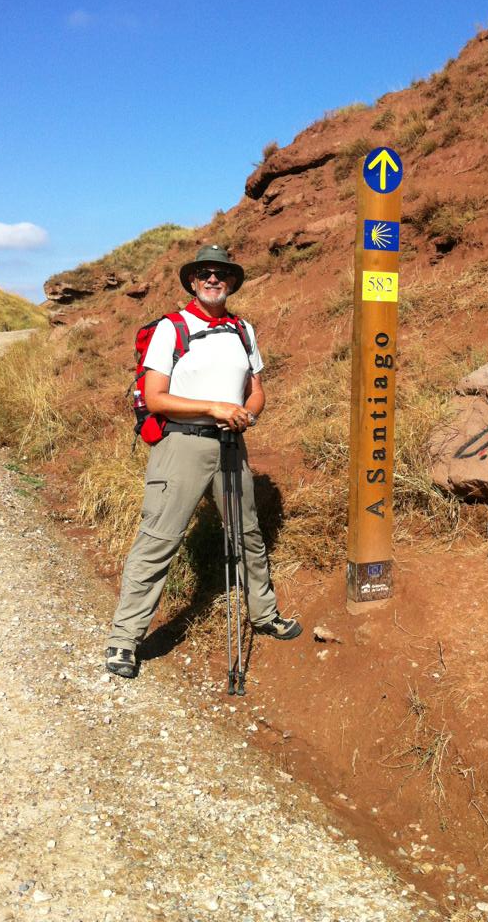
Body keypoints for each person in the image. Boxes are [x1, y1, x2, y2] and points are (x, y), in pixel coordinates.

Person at [105, 244, 302, 679]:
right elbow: (156, 397)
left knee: (247, 533)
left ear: (231, 281)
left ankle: (265, 616)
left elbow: (256, 388)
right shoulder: (172, 328)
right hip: (182, 445)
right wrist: (214, 408)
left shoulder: (243, 330)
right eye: (205, 273)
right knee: (159, 539)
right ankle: (124, 640)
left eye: (221, 273)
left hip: (231, 443)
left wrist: (247, 412)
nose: (214, 279)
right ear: (193, 281)